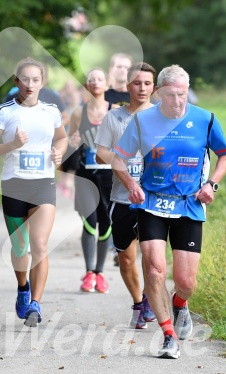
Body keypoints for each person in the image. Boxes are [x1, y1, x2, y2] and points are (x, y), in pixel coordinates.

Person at [111, 64, 226, 359]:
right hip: (152, 202)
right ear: (159, 93)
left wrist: (212, 185)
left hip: (190, 204)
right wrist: (130, 183)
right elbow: (118, 159)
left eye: (182, 95)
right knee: (154, 269)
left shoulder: (205, 120)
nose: (177, 101)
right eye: (171, 95)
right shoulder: (142, 121)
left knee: (186, 282)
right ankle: (168, 335)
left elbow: (225, 155)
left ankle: (180, 304)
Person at [0, 57, 68, 327]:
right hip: (14, 184)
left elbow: (62, 137)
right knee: (21, 247)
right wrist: (13, 145)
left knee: (40, 244)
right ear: (16, 81)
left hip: (42, 182)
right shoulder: (4, 111)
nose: (30, 84)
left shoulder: (51, 110)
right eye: (25, 79)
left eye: (35, 79)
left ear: (43, 82)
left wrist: (59, 153)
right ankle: (23, 288)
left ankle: (35, 305)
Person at [94, 62, 157, 329]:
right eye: (136, 83)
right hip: (121, 199)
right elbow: (100, 153)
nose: (142, 88)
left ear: (154, 86)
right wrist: (122, 162)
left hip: (154, 200)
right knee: (126, 258)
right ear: (127, 86)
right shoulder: (114, 117)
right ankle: (138, 301)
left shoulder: (163, 117)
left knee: (152, 257)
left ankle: (150, 298)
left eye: (147, 83)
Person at [67, 68, 111, 293]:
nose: (95, 82)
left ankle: (100, 273)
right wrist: (73, 141)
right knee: (89, 220)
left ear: (106, 84)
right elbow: (71, 143)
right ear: (87, 85)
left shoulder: (115, 112)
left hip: (109, 176)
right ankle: (88, 272)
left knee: (106, 223)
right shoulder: (78, 113)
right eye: (91, 79)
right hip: (85, 176)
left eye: (99, 79)